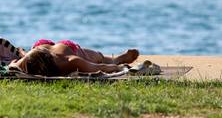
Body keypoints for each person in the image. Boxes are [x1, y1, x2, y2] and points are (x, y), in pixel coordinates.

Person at [8, 39, 139, 76]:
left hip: (69, 48)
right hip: (39, 48)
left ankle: (117, 59)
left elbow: (100, 67)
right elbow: (13, 66)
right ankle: (115, 59)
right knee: (28, 56)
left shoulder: (70, 61)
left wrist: (119, 67)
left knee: (100, 58)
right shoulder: (32, 57)